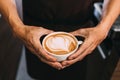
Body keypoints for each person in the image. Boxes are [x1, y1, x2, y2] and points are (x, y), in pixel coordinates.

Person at [0, 0, 120, 80]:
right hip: (34, 27)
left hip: (80, 28)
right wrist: (17, 26)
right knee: (39, 74)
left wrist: (104, 28)